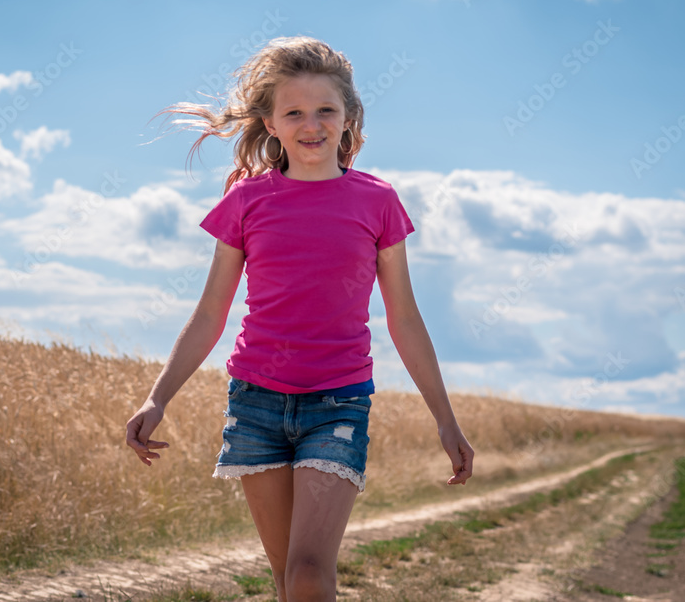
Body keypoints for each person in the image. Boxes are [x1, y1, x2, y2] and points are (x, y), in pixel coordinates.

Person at [125, 35, 474, 601]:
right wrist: (157, 397)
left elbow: (404, 318)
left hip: (337, 402)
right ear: (270, 122)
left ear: (348, 116)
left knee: (310, 573)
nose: (312, 125)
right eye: (294, 112)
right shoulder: (246, 202)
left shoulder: (377, 202)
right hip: (255, 403)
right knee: (287, 579)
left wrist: (446, 419)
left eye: (325, 110)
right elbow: (212, 310)